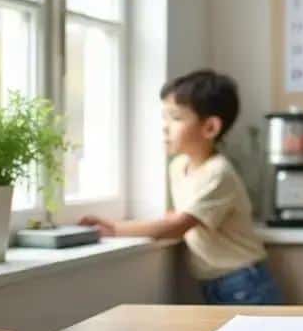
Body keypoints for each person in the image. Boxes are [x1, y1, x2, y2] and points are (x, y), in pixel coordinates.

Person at [80, 70, 282, 305]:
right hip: (214, 281)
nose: (165, 127)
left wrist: (114, 228)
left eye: (175, 118)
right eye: (164, 118)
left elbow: (178, 225)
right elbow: (182, 217)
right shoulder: (178, 167)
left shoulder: (219, 173)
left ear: (210, 128)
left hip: (243, 281)